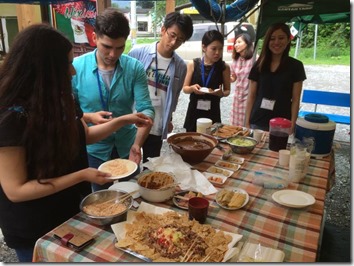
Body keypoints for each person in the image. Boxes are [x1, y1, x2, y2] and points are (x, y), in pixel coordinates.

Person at [0, 23, 152, 262]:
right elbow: (16, 190)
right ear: (43, 70)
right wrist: (81, 175)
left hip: (69, 210)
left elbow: (85, 136)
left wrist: (123, 121)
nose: (72, 72)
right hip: (33, 224)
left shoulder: (62, 97)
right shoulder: (10, 117)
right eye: (67, 64)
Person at [71, 8, 155, 191]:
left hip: (127, 145)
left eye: (119, 48)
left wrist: (137, 144)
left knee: (132, 196)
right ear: (94, 38)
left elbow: (146, 108)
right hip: (94, 149)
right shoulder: (76, 67)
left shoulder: (134, 67)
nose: (113, 54)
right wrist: (89, 117)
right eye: (106, 47)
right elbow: (69, 113)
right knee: (100, 202)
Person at [128, 12, 193, 163]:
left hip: (157, 124)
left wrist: (169, 118)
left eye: (180, 40)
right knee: (129, 166)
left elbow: (174, 96)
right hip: (133, 122)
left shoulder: (180, 66)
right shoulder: (138, 53)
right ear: (163, 30)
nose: (173, 42)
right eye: (172, 35)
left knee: (150, 167)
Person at [244, 23, 306, 133]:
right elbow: (251, 96)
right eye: (272, 38)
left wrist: (292, 123)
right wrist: (246, 122)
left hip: (282, 123)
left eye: (281, 38)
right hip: (258, 121)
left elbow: (296, 99)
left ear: (288, 40)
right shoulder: (259, 65)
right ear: (267, 41)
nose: (276, 42)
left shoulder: (296, 66)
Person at [182, 30, 231, 132]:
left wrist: (220, 93)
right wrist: (192, 88)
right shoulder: (193, 64)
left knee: (211, 142)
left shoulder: (224, 67)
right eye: (213, 49)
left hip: (213, 111)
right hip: (194, 111)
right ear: (204, 47)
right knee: (191, 142)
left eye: (220, 49)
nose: (217, 53)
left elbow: (227, 90)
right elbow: (185, 89)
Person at [229, 32, 255, 126]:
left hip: (249, 97)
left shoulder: (254, 59)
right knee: (235, 126)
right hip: (237, 97)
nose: (236, 45)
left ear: (247, 43)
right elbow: (233, 78)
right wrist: (226, 78)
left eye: (239, 42)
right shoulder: (235, 60)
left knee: (247, 124)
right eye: (235, 43)